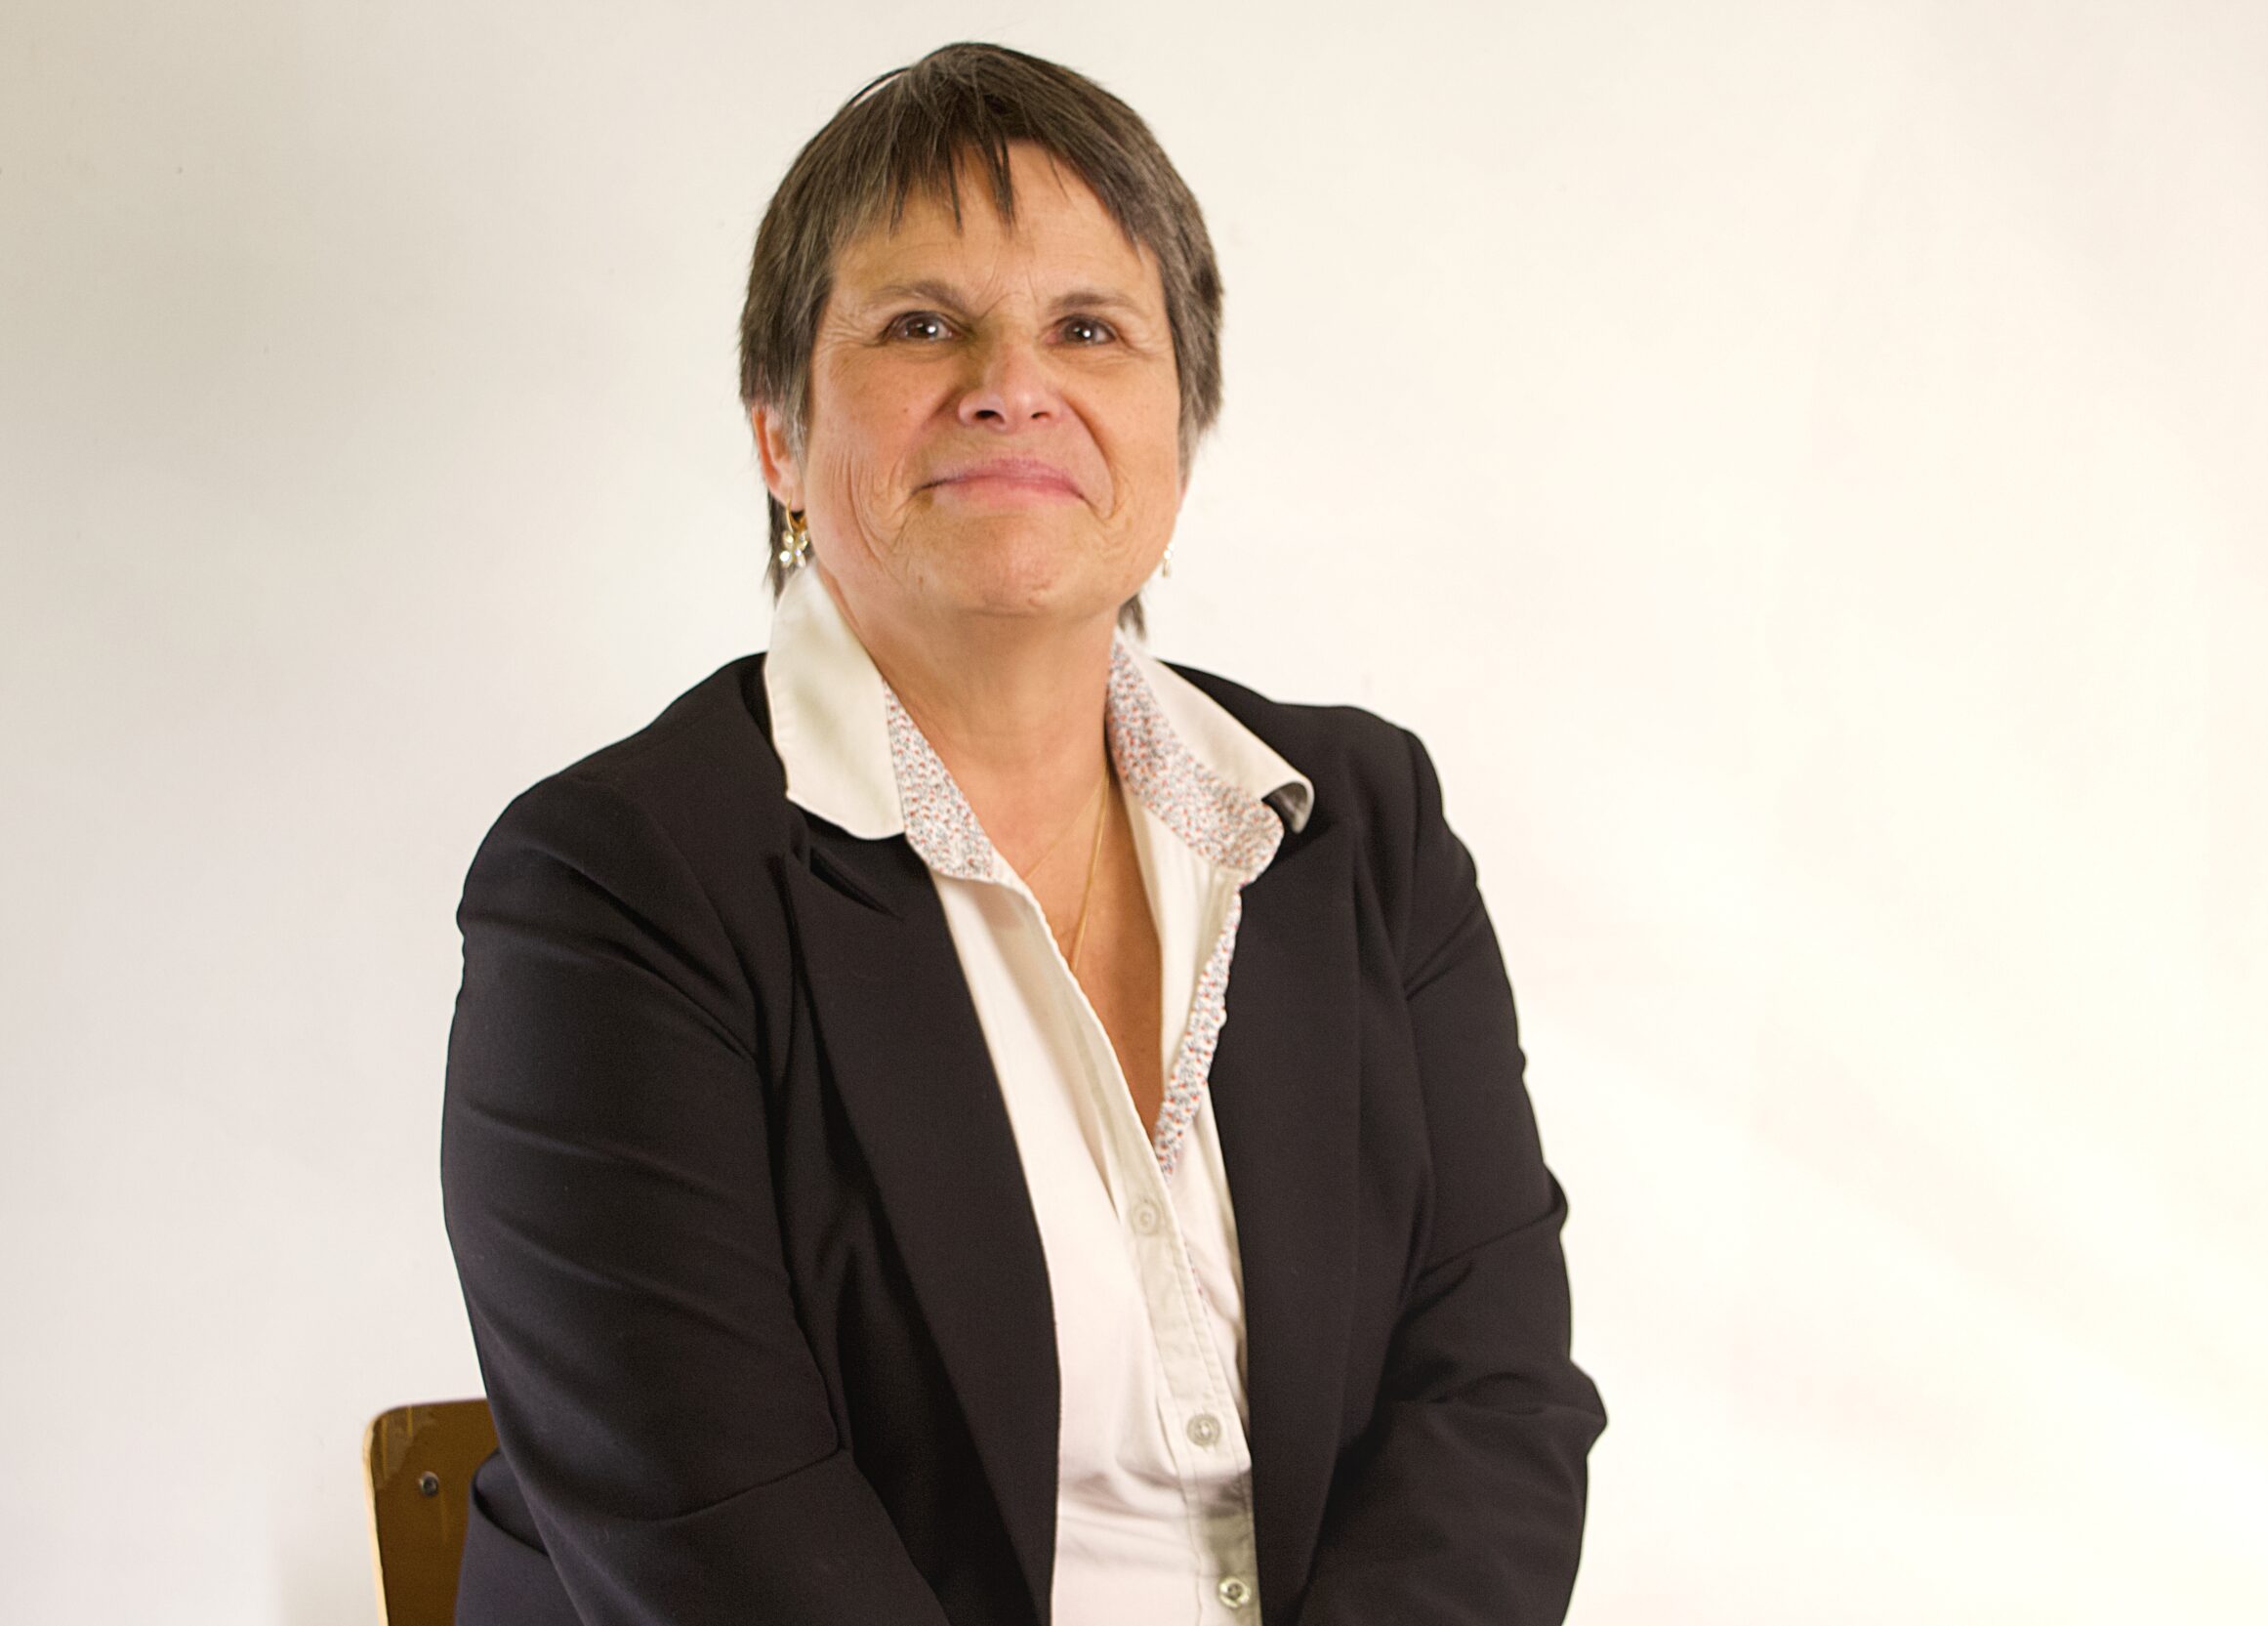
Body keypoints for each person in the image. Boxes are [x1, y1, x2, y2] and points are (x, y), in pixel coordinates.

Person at [441, 41, 1603, 1626]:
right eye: (922, 324)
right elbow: (727, 1551)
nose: (1011, 382)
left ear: (1181, 426)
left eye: (1089, 328)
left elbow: (1496, 1400)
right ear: (779, 434)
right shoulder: (613, 892)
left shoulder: (1359, 827)